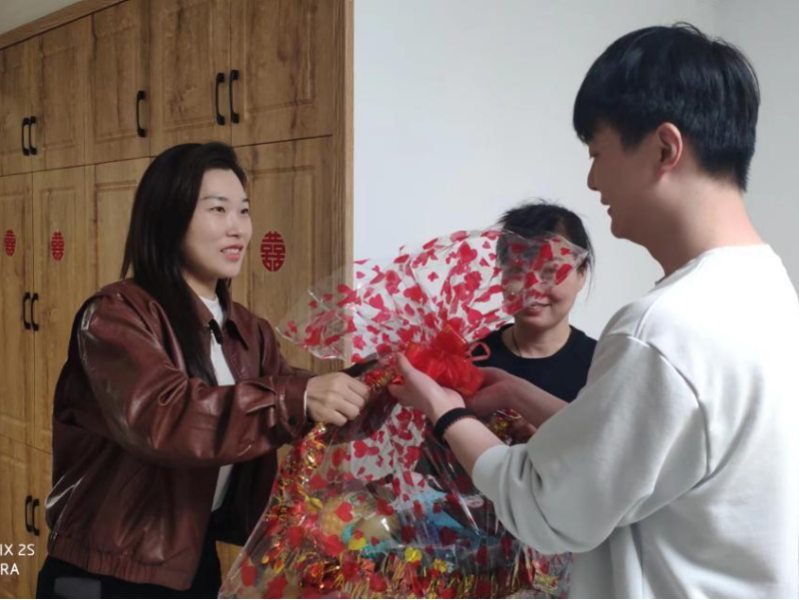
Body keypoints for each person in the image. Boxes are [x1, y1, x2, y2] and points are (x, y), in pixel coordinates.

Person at [390, 23, 799, 598]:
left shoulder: (662, 331)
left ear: (664, 149)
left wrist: (444, 412)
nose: (592, 179)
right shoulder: (769, 290)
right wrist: (514, 391)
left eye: (597, 152)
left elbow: (543, 506)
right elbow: (643, 452)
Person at [36, 142, 370, 599]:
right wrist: (300, 398)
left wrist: (382, 380)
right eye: (218, 209)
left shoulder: (247, 329)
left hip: (190, 561)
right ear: (168, 218)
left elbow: (297, 396)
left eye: (244, 211)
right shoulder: (115, 315)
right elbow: (165, 416)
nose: (238, 228)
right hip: (109, 569)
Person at [477, 200, 596, 442]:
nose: (533, 287)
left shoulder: (603, 366)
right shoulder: (473, 359)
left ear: (582, 274)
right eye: (517, 271)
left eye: (551, 272)